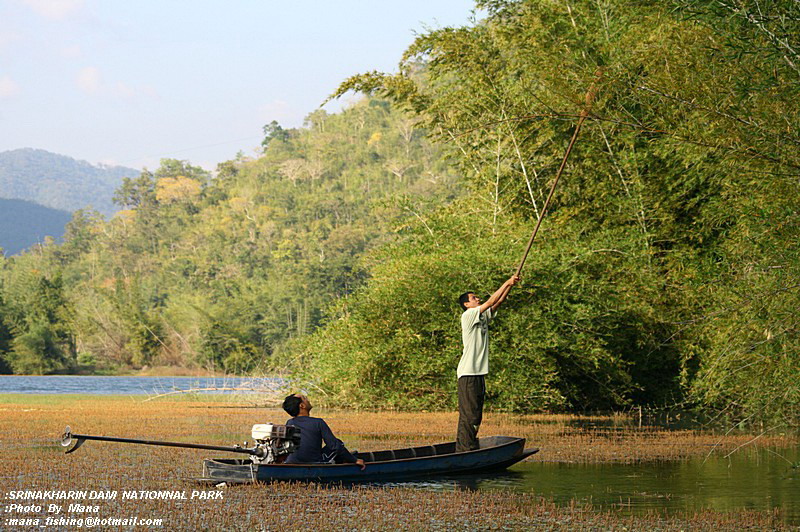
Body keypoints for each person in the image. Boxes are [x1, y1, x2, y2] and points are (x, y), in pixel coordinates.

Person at [455, 275, 519, 452]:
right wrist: (506, 281)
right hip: (468, 373)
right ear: (467, 304)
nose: (478, 299)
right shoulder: (468, 315)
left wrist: (510, 286)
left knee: (475, 414)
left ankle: (467, 445)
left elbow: (498, 302)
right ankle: (464, 449)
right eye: (474, 298)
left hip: (478, 373)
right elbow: (491, 301)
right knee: (469, 415)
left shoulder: (481, 317)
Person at [282, 393, 366, 470]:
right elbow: (334, 446)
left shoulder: (290, 423)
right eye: (304, 398)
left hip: (292, 462)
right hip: (314, 463)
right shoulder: (318, 422)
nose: (307, 399)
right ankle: (343, 465)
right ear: (302, 405)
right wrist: (355, 460)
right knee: (339, 443)